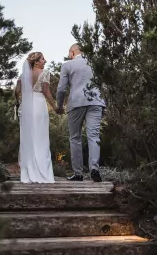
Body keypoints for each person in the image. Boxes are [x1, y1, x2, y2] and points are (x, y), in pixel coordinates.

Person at [56, 43, 106, 182]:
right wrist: (104, 104)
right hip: (96, 102)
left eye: (69, 53)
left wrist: (59, 106)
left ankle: (78, 173)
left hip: (76, 103)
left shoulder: (67, 65)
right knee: (94, 136)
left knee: (75, 138)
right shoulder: (94, 63)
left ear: (73, 52)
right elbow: (103, 84)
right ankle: (94, 169)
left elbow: (61, 89)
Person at [17, 51, 59, 183]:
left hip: (26, 106)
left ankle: (28, 171)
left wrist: (18, 102)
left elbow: (17, 91)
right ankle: (42, 172)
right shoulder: (45, 73)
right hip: (39, 105)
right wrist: (55, 107)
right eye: (42, 59)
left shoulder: (23, 75)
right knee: (41, 137)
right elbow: (46, 91)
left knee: (28, 137)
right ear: (36, 62)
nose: (45, 61)